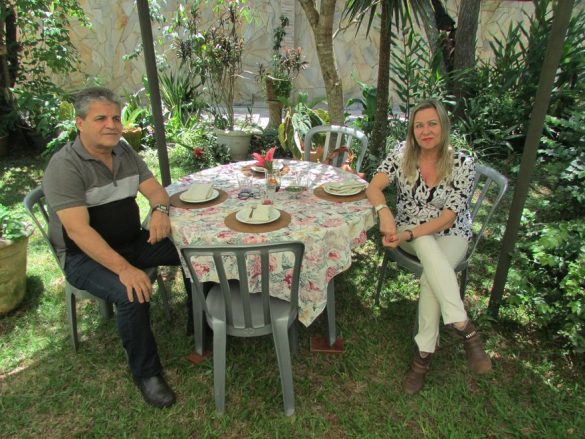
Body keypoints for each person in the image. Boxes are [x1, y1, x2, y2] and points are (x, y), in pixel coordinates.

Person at [43, 87, 183, 408]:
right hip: (83, 257)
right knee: (131, 292)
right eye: (100, 118)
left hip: (132, 241)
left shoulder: (125, 153)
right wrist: (125, 269)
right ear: (79, 123)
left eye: (116, 118)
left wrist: (160, 211)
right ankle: (146, 373)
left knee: (188, 251)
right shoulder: (65, 167)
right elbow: (78, 232)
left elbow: (157, 192)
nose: (112, 125)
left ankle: (199, 321)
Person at [366, 99, 492, 395]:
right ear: (412, 130)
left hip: (451, 234)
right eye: (419, 125)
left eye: (432, 123)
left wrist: (410, 232)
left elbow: (449, 216)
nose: (425, 131)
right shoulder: (401, 154)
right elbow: (372, 186)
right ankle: (465, 328)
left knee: (432, 276)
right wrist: (384, 211)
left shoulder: (463, 163)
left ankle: (421, 358)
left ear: (443, 126)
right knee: (423, 243)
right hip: (409, 235)